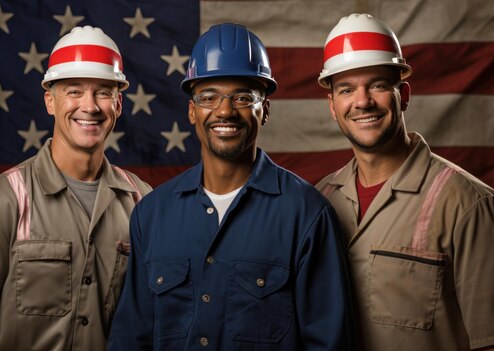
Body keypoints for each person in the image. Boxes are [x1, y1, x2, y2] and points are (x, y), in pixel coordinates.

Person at [108, 23, 350, 351]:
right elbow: (129, 340)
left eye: (242, 97)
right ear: (192, 111)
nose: (225, 110)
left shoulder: (306, 214)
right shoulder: (151, 215)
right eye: (209, 97)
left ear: (264, 110)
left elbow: (329, 343)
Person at [315, 13, 494, 351]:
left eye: (377, 84)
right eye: (346, 89)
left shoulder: (470, 204)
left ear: (403, 94)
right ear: (332, 106)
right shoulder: (320, 201)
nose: (362, 101)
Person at [0, 26, 152, 350]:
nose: (90, 106)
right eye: (74, 91)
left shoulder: (144, 203)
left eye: (104, 92)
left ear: (119, 104)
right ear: (50, 101)